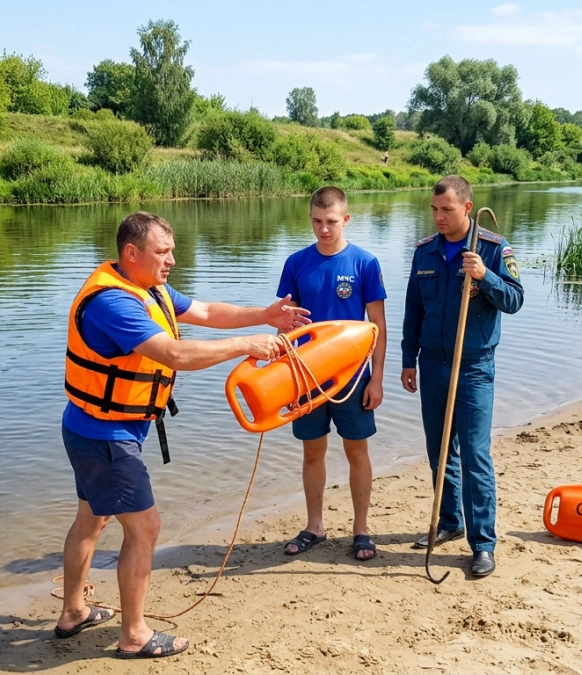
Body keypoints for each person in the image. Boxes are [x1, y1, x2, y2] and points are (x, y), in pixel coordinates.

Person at [57, 212, 310, 658]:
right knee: (145, 528)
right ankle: (134, 636)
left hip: (96, 428)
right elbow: (173, 353)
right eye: (163, 251)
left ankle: (74, 611)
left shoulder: (146, 286)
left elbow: (207, 311)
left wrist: (266, 315)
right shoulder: (112, 303)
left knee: (91, 519)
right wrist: (248, 344)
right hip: (106, 434)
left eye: (173, 250)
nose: (172, 259)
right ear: (131, 253)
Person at [400, 174, 523, 578]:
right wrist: (407, 359)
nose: (438, 216)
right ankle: (449, 522)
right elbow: (413, 310)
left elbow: (515, 300)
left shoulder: (490, 248)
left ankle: (483, 544)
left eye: (446, 210)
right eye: (434, 209)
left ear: (466, 208)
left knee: (474, 454)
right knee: (439, 450)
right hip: (432, 363)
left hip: (472, 367)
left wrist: (485, 276)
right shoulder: (425, 252)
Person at [276, 187, 388, 562]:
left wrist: (377, 378)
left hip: (353, 377)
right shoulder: (295, 263)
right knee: (313, 452)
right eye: (317, 222)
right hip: (306, 376)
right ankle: (314, 526)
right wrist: (281, 378)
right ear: (310, 219)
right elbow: (284, 327)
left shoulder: (365, 263)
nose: (324, 230)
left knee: (357, 451)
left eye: (332, 222)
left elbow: (377, 326)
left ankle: (362, 530)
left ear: (346, 220)